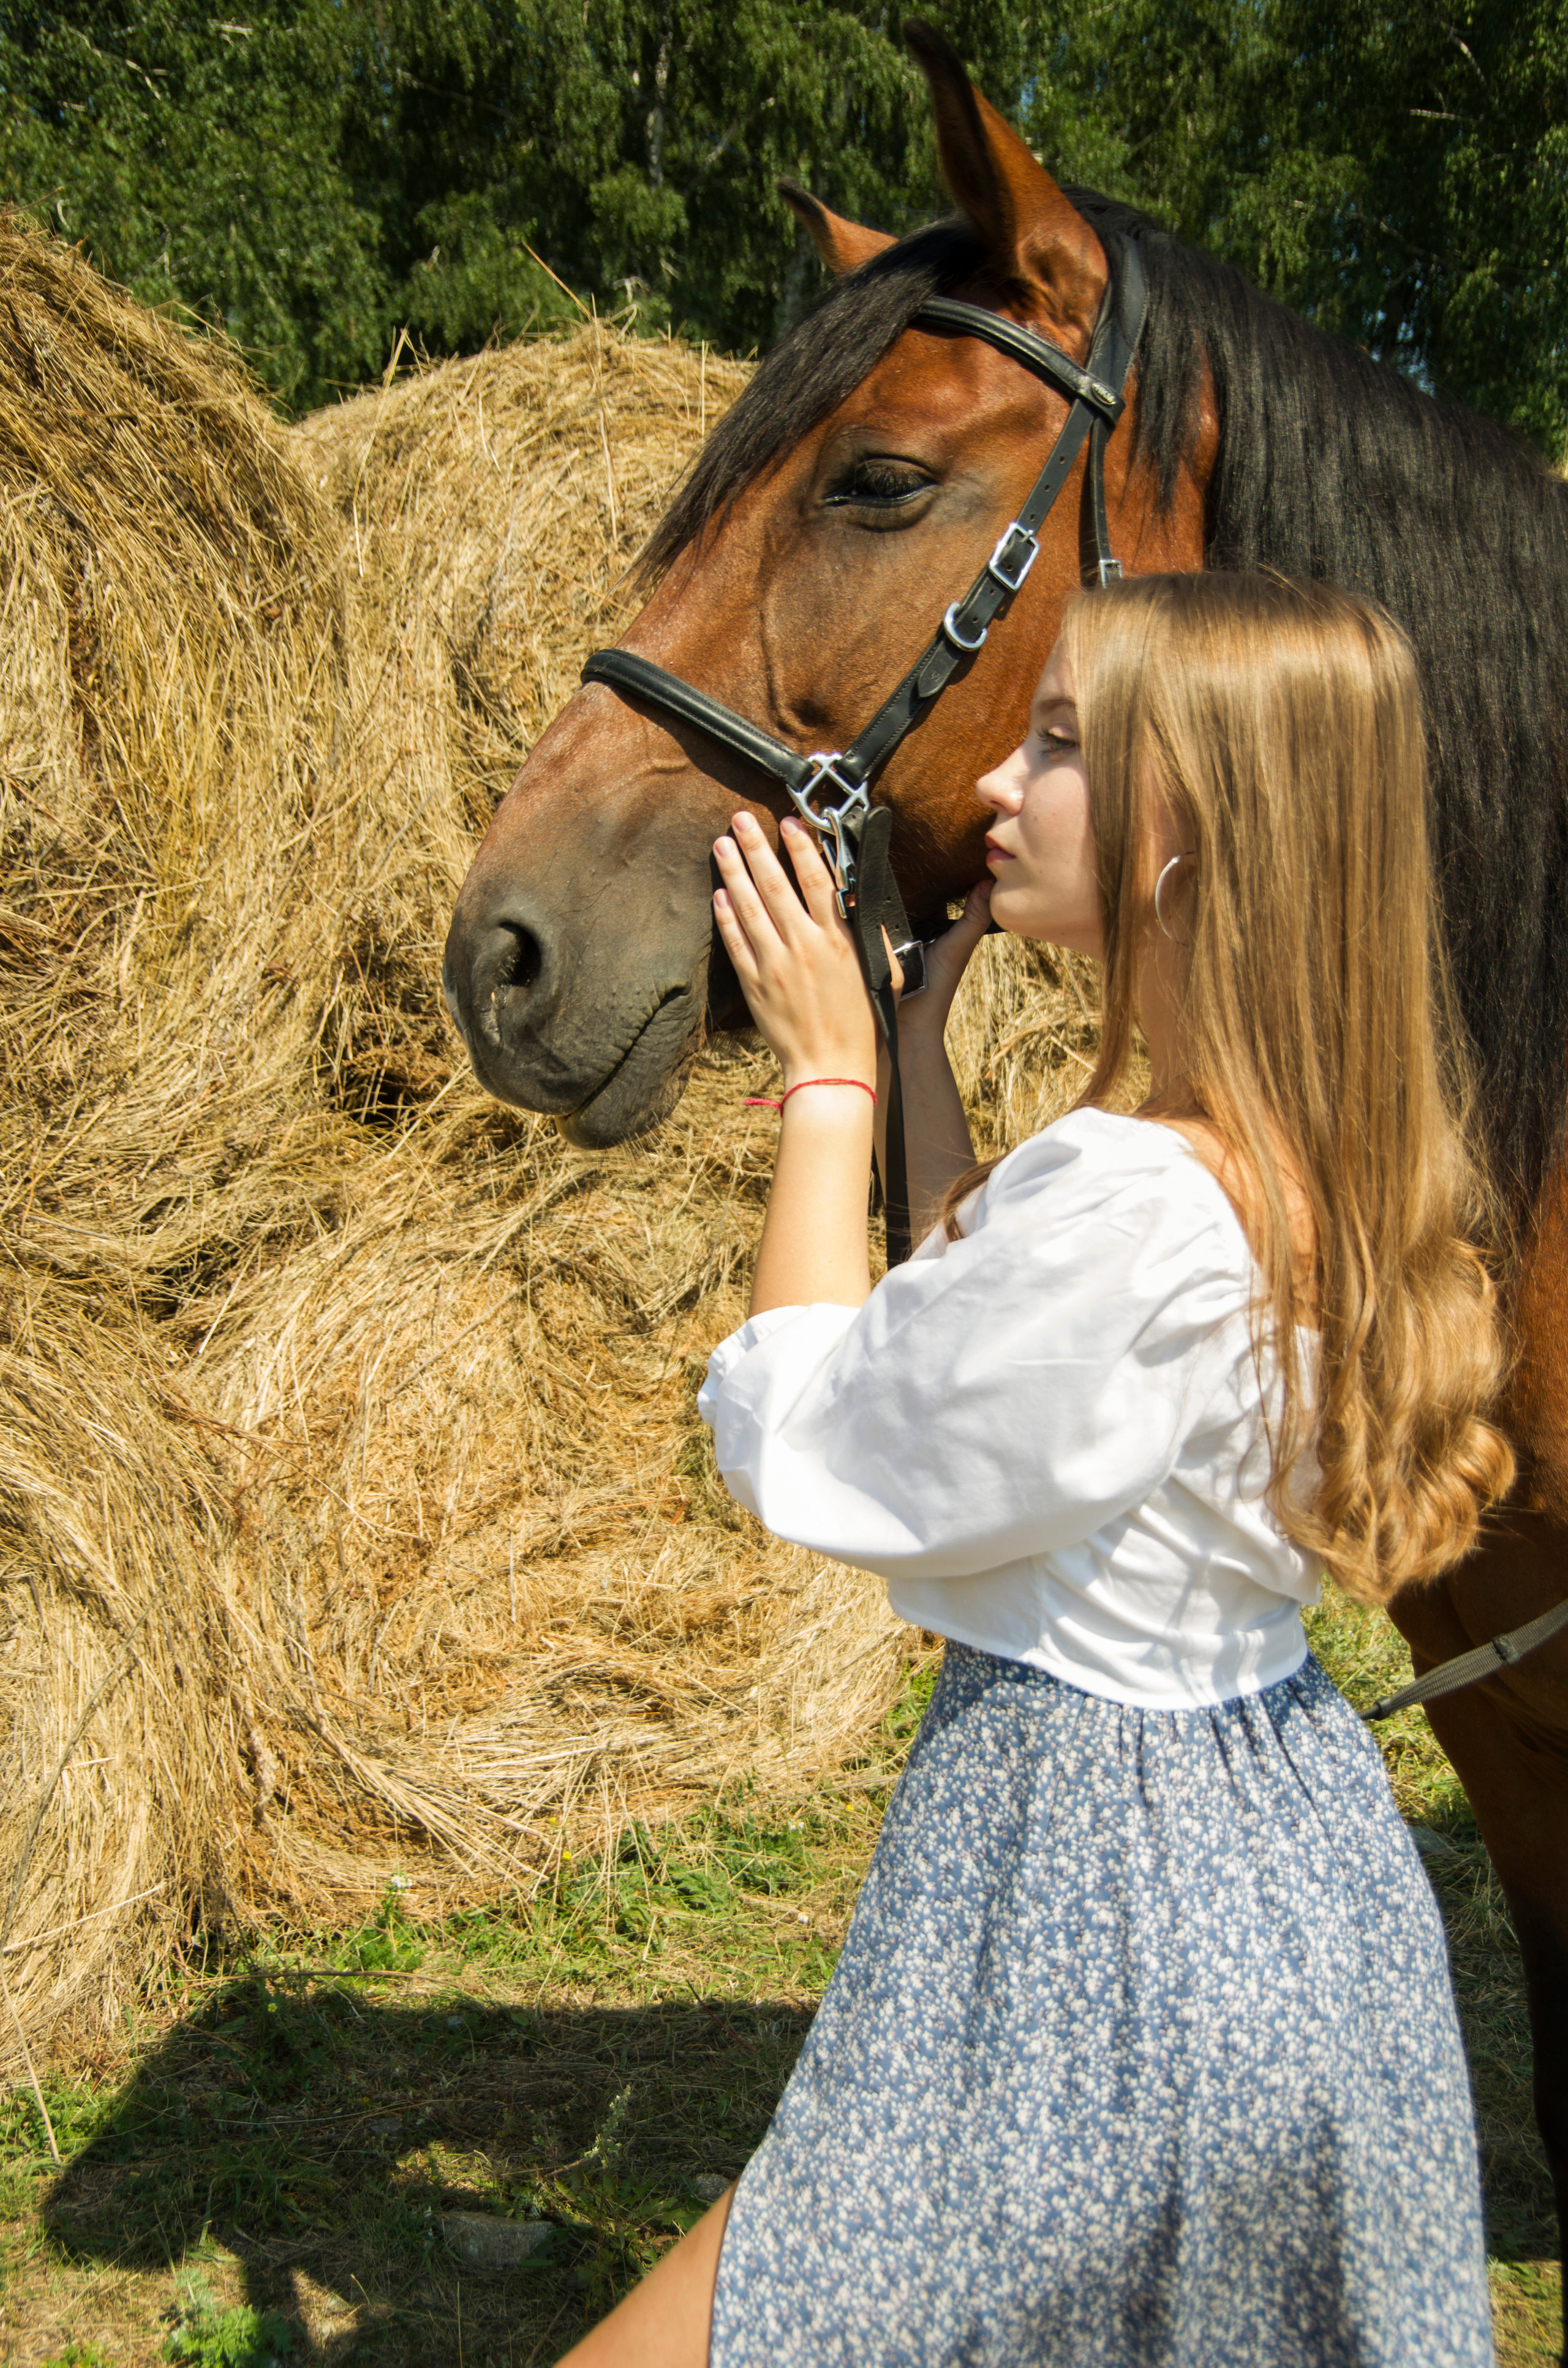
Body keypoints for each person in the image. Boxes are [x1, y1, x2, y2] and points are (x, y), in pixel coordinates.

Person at [556, 571, 1513, 2368]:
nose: (999, 781)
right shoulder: (1297, 1159)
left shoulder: (1138, 1204)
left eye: (1063, 744)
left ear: (1187, 838)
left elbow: (820, 1439)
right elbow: (995, 1339)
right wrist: (919, 1051)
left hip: (1092, 1912)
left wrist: (828, 1085)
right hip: (1286, 1873)